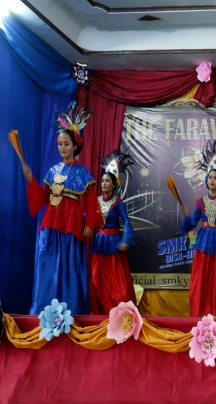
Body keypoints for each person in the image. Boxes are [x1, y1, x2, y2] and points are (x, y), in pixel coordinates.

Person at [22, 102, 96, 315]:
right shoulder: (53, 170)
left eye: (66, 144)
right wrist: (31, 180)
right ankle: (44, 310)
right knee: (48, 264)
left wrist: (90, 223)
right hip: (51, 223)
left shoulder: (82, 172)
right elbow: (42, 198)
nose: (62, 148)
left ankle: (71, 310)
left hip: (71, 225)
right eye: (59, 144)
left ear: (75, 145)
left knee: (70, 267)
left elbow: (92, 202)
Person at [178, 139, 216, 317]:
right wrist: (187, 216)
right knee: (201, 279)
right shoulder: (200, 202)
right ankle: (199, 315)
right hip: (204, 242)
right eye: (210, 177)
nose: (212, 180)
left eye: (215, 178)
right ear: (206, 181)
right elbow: (192, 223)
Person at [89, 151, 137, 314]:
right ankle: (99, 313)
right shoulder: (96, 201)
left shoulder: (117, 203)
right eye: (102, 181)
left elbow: (127, 222)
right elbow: (89, 217)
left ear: (114, 184)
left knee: (117, 284)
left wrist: (125, 240)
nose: (104, 184)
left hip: (113, 244)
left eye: (107, 181)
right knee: (97, 280)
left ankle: (120, 313)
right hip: (99, 244)